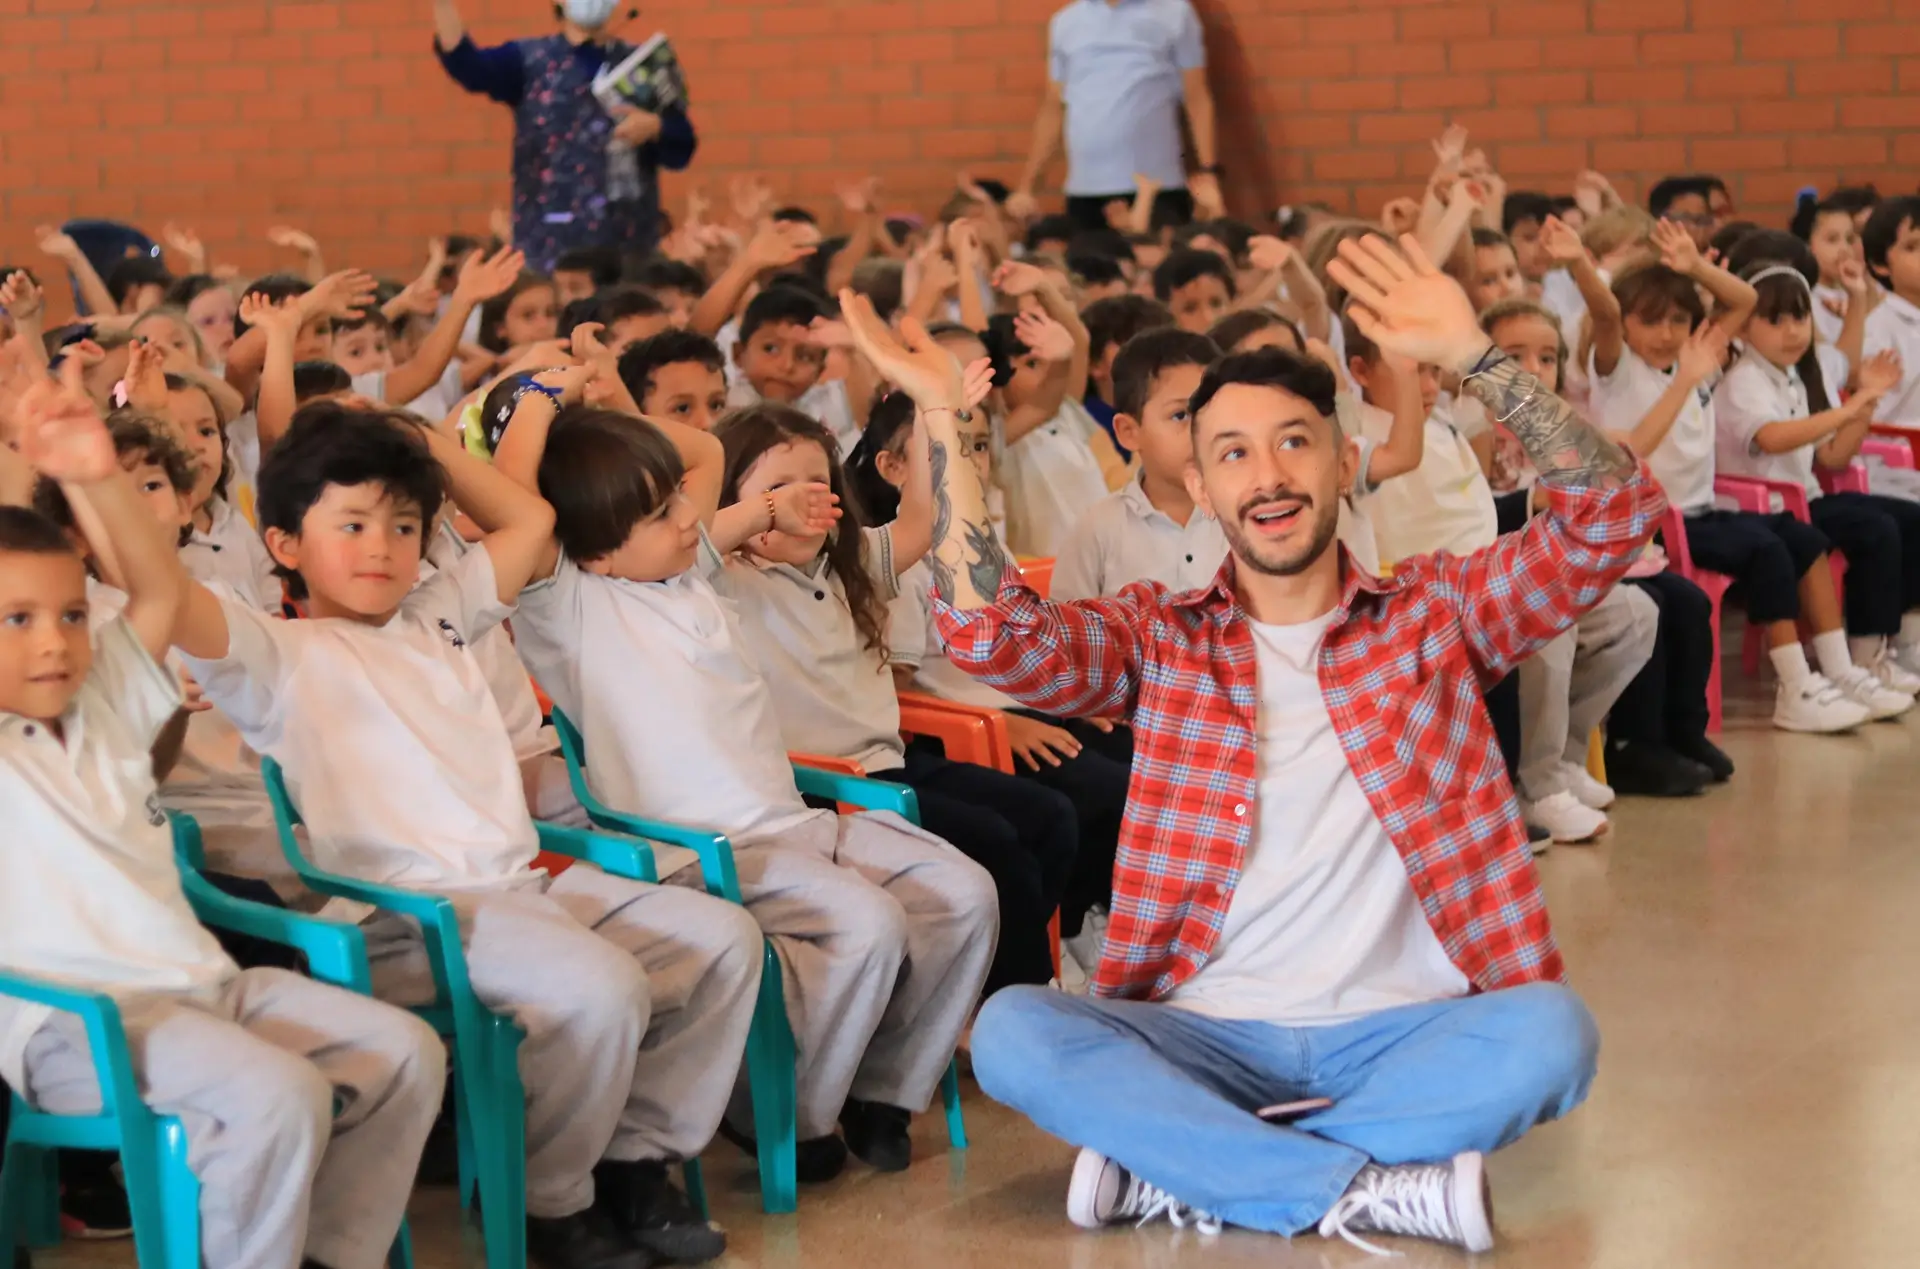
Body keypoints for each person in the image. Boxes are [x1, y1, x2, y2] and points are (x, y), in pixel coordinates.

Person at [837, 231, 1660, 1254]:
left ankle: (1190, 1167)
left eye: (1292, 442)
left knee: (1554, 1036)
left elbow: (1611, 521)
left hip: (1405, 1028)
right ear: (1205, 484)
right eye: (1231, 452)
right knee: (1015, 1031)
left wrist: (1477, 356)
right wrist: (952, 433)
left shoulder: (1437, 614)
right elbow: (992, 637)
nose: (1265, 476)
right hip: (1202, 1032)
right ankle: (1365, 1183)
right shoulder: (1161, 635)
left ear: (1346, 460)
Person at [168, 401, 758, 1269]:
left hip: (521, 893)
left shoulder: (440, 613)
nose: (382, 547)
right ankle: (552, 1204)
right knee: (600, 989)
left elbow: (532, 518)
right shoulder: (274, 653)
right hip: (407, 921)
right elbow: (172, 598)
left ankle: (633, 1158)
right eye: (354, 523)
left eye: (405, 525)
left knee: (724, 939)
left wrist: (420, 446)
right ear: (285, 544)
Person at [1, 365, 445, 1269]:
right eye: (16, 619)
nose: (53, 639)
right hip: (75, 1025)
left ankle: (321, 1254)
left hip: (202, 990)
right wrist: (21, 461)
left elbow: (157, 590)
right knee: (278, 1095)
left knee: (403, 1051)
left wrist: (93, 472)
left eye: (70, 615)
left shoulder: (104, 699)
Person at [1590, 221, 1899, 731]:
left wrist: (1695, 268)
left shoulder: (1696, 359)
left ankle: (1841, 671)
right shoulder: (1619, 369)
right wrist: (1687, 378)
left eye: (1678, 321)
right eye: (1651, 322)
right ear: (1624, 327)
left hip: (1704, 510)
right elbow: (1634, 444)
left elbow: (1742, 302)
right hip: (1657, 525)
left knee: (1803, 538)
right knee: (1767, 549)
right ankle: (1795, 686)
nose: (1667, 334)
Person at [1716, 262, 1920, 686]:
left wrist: (1868, 402)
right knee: (1875, 528)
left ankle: (1904, 642)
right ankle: (1864, 657)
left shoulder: (1791, 378)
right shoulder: (1743, 381)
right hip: (1768, 509)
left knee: (1910, 519)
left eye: (1800, 317)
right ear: (1741, 328)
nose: (1792, 330)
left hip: (1804, 499)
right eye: (1775, 320)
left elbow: (1832, 458)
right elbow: (1772, 438)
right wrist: (1849, 406)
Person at [430, 0, 698, 272]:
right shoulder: (527, 60)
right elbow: (466, 64)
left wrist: (656, 127)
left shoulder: (644, 63)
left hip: (629, 248)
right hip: (549, 250)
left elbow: (683, 145)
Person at [1008, 0, 1221, 231]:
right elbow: (1054, 108)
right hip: (1086, 189)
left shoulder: (1175, 13)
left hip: (1157, 186)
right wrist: (1027, 187)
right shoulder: (1065, 22)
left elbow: (1196, 98)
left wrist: (1209, 170)